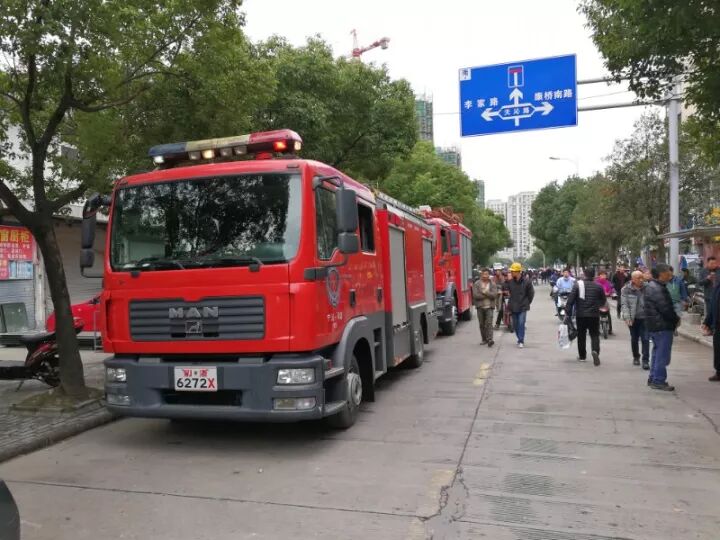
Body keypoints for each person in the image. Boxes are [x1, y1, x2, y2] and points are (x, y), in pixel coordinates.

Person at [644, 264, 681, 391]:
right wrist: (676, 319)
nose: (670, 275)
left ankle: (653, 378)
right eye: (668, 273)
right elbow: (666, 309)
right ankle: (658, 380)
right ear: (661, 274)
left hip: (656, 326)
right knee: (662, 354)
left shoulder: (652, 286)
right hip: (662, 326)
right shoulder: (657, 288)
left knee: (657, 353)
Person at [565, 268, 606, 366]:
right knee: (594, 334)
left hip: (581, 315)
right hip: (594, 315)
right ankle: (595, 351)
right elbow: (603, 300)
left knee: (581, 335)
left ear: (584, 274)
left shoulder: (577, 285)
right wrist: (597, 306)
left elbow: (570, 300)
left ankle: (582, 356)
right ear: (594, 275)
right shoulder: (598, 286)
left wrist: (568, 313)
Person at [621, 270, 650, 369]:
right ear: (632, 279)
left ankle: (645, 360)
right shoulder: (626, 289)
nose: (641, 280)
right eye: (638, 278)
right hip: (633, 318)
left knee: (645, 339)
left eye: (642, 277)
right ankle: (636, 357)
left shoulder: (648, 287)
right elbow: (624, 304)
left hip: (645, 317)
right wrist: (627, 317)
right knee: (634, 338)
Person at [507, 262, 534, 348]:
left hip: (523, 306)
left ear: (518, 272)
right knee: (515, 325)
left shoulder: (527, 282)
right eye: (511, 271)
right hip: (513, 306)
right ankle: (519, 338)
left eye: (513, 271)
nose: (511, 272)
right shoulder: (510, 282)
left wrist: (527, 302)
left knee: (521, 323)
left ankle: (521, 340)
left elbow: (531, 294)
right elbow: (508, 292)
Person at [472, 268, 498, 347]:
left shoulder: (493, 284)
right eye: (483, 274)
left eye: (486, 274)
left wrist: (485, 292)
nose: (485, 276)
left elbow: (494, 295)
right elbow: (475, 295)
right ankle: (484, 339)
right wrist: (487, 295)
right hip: (480, 307)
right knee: (482, 324)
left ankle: (490, 339)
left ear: (489, 275)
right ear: (481, 275)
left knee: (489, 323)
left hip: (489, 306)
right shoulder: (477, 284)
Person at [701, 281, 720, 382]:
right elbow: (713, 306)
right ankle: (719, 372)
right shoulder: (717, 288)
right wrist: (707, 322)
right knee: (718, 349)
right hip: (718, 325)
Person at [595, 270, 614, 335]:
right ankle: (596, 329)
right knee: (596, 315)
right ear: (599, 275)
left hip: (605, 300)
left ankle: (610, 330)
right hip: (597, 300)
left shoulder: (608, 282)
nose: (603, 276)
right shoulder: (596, 282)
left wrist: (610, 293)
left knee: (608, 313)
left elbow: (611, 289)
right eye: (602, 275)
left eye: (604, 275)